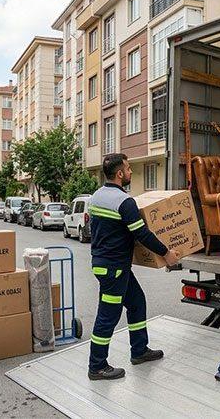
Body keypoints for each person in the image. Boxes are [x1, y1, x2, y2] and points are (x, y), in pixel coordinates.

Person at [87, 153, 180, 381]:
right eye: (128, 169)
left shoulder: (97, 197)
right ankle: (97, 366)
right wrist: (166, 253)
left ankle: (139, 350)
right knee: (108, 316)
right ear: (119, 174)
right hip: (114, 268)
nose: (130, 172)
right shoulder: (124, 202)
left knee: (137, 302)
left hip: (109, 265)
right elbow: (142, 234)